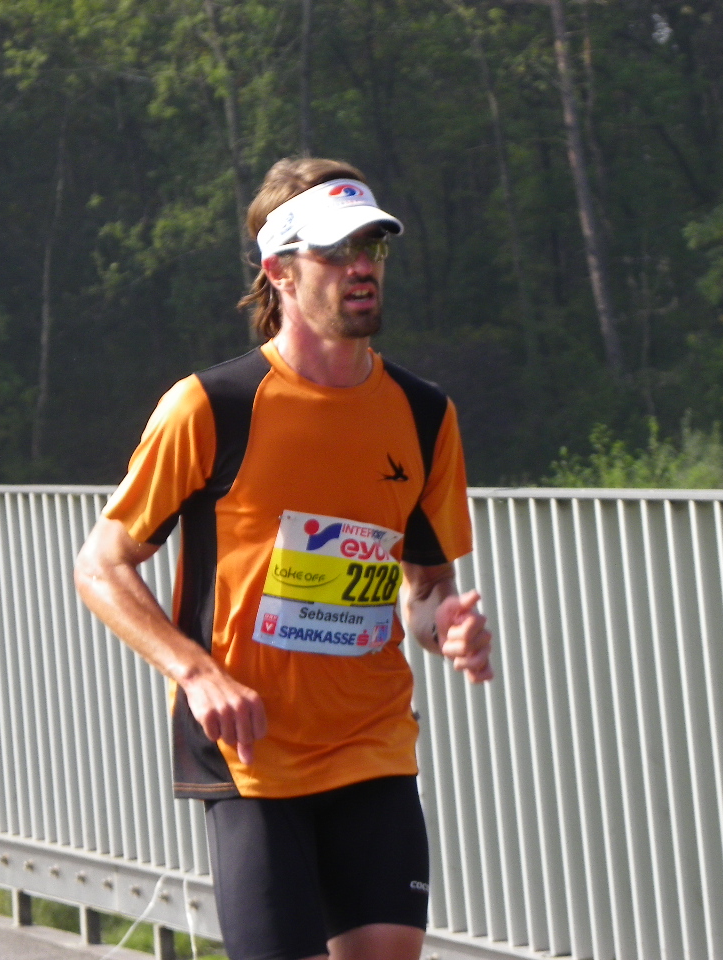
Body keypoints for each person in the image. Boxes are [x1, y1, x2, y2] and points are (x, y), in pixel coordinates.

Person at [74, 156, 492, 960]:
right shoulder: (213, 407)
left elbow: (426, 590)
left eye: (372, 247)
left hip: (371, 742)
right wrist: (196, 673)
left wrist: (450, 627)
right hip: (253, 759)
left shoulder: (423, 414)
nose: (362, 267)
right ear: (280, 272)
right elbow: (101, 566)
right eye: (335, 252)